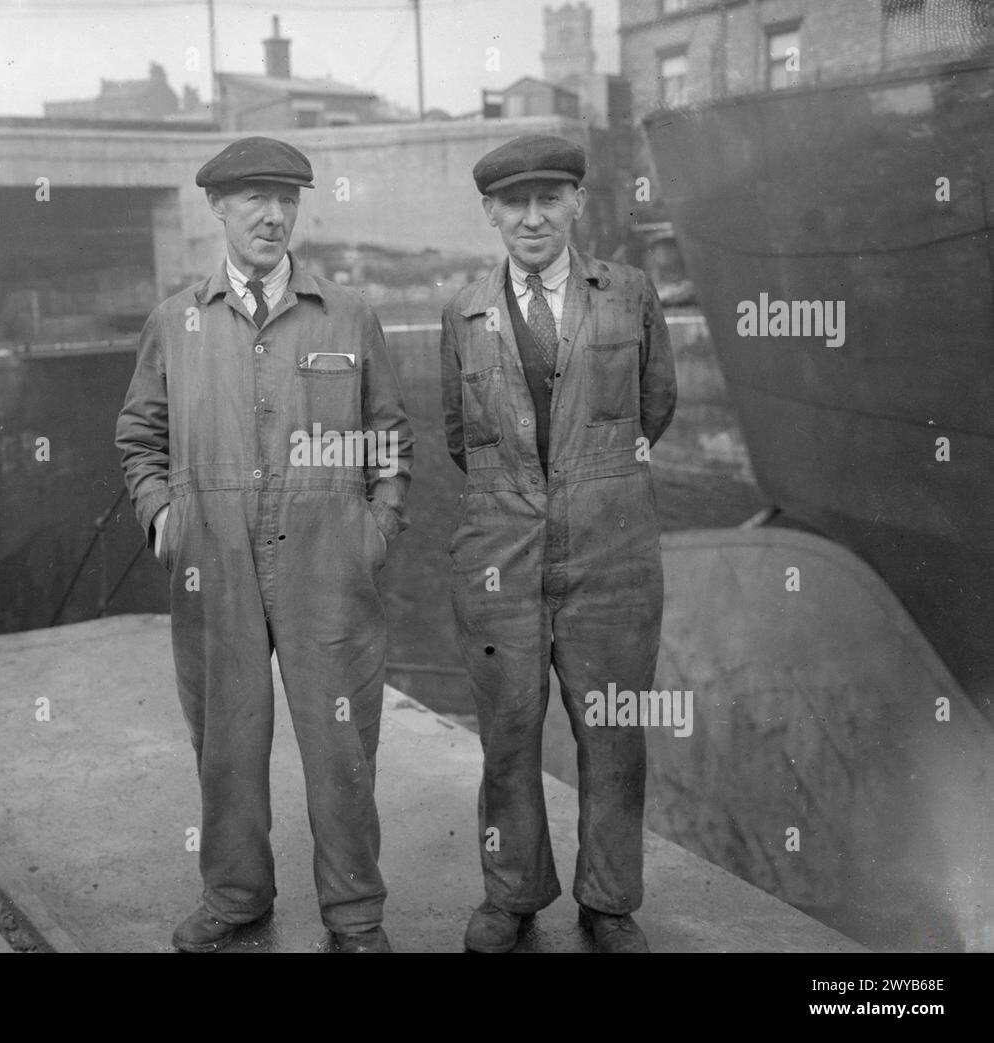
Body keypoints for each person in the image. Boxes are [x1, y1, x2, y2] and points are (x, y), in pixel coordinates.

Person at [115, 136, 413, 953]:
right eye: (254, 199)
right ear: (217, 206)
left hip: (328, 558)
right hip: (212, 556)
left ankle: (356, 914)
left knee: (342, 739)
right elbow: (140, 434)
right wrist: (163, 519)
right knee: (227, 737)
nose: (274, 216)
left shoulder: (347, 314)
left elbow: (390, 436)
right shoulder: (175, 321)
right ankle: (237, 895)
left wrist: (374, 529)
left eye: (288, 199)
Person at [440, 134, 677, 953]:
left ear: (577, 203)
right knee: (507, 732)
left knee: (612, 731)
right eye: (515, 203)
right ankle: (512, 893)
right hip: (497, 552)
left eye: (550, 199)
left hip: (612, 549)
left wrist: (591, 477)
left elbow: (656, 406)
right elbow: (455, 433)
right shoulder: (464, 311)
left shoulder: (629, 293)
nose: (533, 217)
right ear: (491, 213)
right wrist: (520, 498)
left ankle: (610, 900)